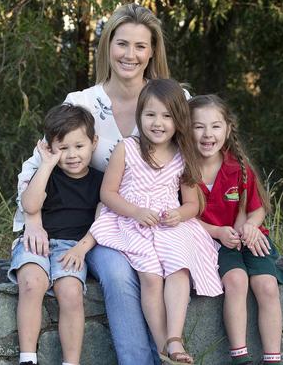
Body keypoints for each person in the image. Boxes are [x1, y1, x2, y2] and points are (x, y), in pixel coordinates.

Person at [13, 3, 174, 364]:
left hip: (156, 223)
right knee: (117, 274)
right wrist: (34, 220)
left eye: (140, 46)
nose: (129, 55)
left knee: (158, 271)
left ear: (152, 52)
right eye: (121, 43)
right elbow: (37, 165)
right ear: (108, 47)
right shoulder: (82, 102)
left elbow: (201, 162)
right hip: (100, 227)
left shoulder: (170, 101)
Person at [90, 79, 223, 365]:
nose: (158, 123)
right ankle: (166, 347)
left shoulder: (182, 155)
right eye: (150, 115)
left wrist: (181, 214)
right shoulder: (127, 149)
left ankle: (174, 339)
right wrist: (135, 211)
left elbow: (192, 203)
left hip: (169, 225)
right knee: (150, 277)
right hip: (133, 222)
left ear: (179, 120)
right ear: (140, 116)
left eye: (167, 116)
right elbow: (107, 193)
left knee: (179, 268)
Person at [189, 95, 283, 365]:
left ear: (227, 129)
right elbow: (183, 219)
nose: (207, 134)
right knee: (236, 282)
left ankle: (273, 358)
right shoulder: (184, 170)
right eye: (198, 126)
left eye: (215, 126)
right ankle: (240, 357)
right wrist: (218, 232)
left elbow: (259, 207)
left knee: (267, 286)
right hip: (215, 243)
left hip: (250, 238)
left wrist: (250, 225)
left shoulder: (238, 167)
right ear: (186, 129)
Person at [7, 104, 103, 365]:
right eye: (62, 148)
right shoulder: (46, 174)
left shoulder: (100, 181)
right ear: (50, 148)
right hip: (36, 241)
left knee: (71, 291)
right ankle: (27, 358)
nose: (71, 155)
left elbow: (102, 222)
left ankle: (71, 362)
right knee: (32, 283)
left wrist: (81, 249)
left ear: (94, 142)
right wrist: (47, 165)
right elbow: (30, 205)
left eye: (79, 146)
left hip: (73, 246)